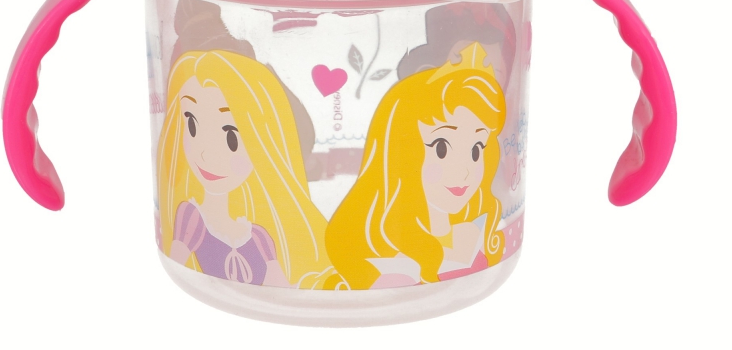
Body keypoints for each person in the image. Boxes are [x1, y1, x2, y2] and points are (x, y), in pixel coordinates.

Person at [325, 43, 507, 289]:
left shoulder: (475, 231)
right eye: (441, 149)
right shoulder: (392, 261)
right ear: (400, 151)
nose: (464, 171)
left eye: (476, 150)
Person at [158, 49, 333, 289]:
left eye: (231, 138)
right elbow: (178, 257)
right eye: (192, 126)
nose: (206, 154)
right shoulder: (192, 219)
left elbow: (285, 288)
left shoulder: (260, 236)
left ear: (261, 143)